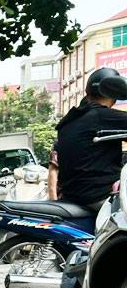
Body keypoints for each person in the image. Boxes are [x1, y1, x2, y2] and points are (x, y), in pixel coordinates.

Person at [51, 67, 127, 211]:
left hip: (72, 196)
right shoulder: (102, 116)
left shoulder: (71, 119)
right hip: (99, 197)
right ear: (113, 93)